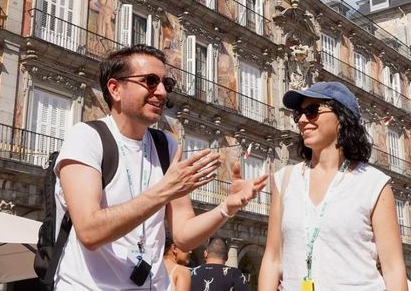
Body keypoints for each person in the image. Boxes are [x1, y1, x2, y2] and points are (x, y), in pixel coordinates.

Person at [54, 44, 269, 290]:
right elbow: (90, 231)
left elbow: (183, 235)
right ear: (115, 88)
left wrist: (226, 208)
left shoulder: (165, 145)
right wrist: (166, 189)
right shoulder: (87, 137)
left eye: (166, 83)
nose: (162, 92)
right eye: (150, 81)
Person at [258, 81, 408, 291]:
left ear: (341, 117)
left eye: (312, 111)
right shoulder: (284, 180)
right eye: (298, 114)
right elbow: (273, 259)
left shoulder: (373, 183)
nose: (302, 120)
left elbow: (393, 268)